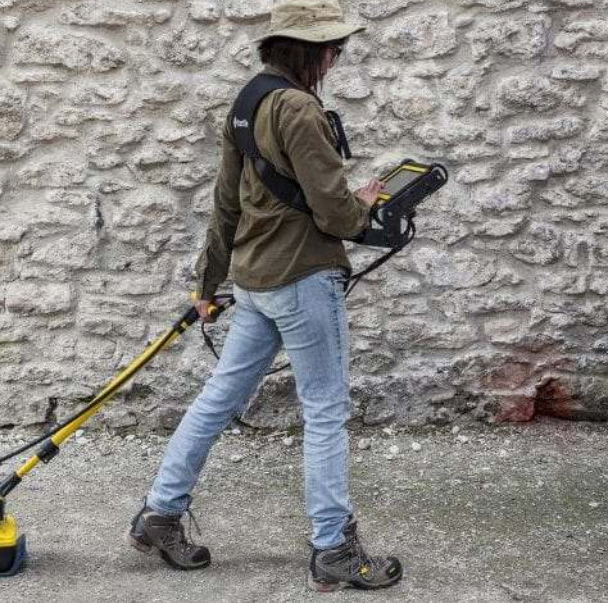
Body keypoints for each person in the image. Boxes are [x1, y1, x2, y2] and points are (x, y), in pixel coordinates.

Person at [125, 0, 404, 592]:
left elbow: (226, 201)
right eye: (335, 48)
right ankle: (333, 548)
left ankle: (160, 514)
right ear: (314, 52)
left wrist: (208, 286)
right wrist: (368, 201)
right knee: (325, 411)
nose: (337, 58)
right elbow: (334, 212)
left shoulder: (248, 101)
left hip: (254, 281)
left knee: (217, 398)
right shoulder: (301, 110)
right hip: (302, 279)